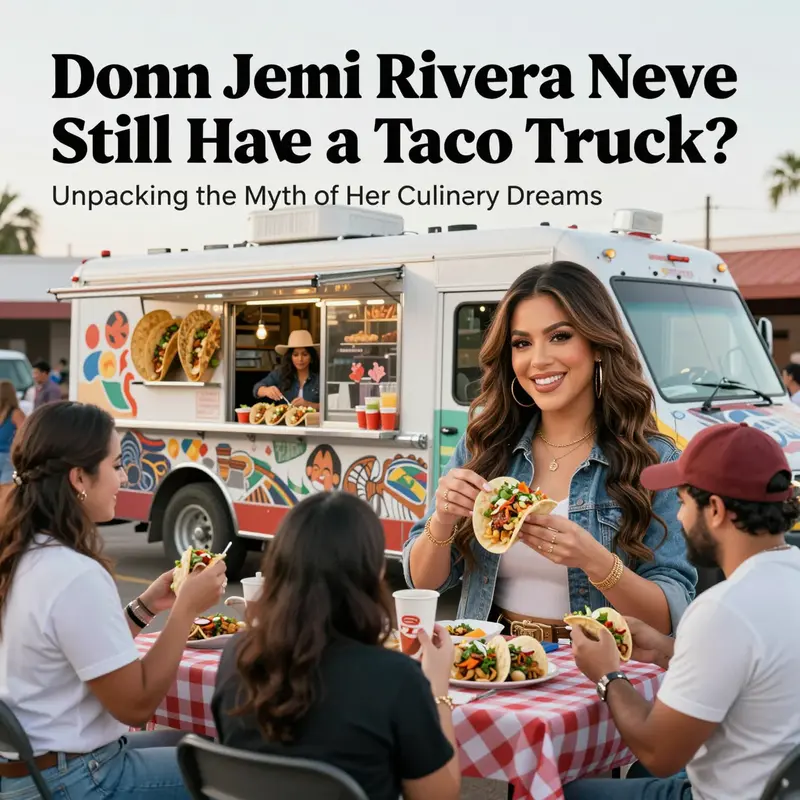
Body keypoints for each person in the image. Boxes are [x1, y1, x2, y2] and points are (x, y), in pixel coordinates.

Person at [403, 262, 696, 640]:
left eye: (559, 336)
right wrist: (442, 519)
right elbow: (423, 583)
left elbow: (670, 616)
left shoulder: (654, 459)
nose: (538, 360)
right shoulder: (485, 445)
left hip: (598, 675)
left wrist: (595, 561)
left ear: (598, 346)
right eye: (522, 343)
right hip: (495, 666)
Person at [0, 401, 228, 799]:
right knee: (237, 775)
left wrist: (145, 607)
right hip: (75, 779)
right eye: (116, 465)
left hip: (29, 773)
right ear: (79, 478)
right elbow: (136, 705)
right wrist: (186, 609)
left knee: (194, 741)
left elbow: (80, 655)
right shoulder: (73, 574)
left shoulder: (22, 556)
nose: (124, 479)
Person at [565, 422, 800, 800]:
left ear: (717, 510)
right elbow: (753, 668)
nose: (678, 518)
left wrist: (606, 674)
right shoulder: (789, 574)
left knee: (561, 793)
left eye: (684, 502)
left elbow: (658, 752)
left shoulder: (724, 610)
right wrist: (663, 649)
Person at [212, 492, 460, 800]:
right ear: (375, 574)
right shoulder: (397, 679)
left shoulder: (237, 654)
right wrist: (438, 689)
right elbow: (440, 796)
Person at [252, 330, 320, 410]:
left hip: (313, 421)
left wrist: (309, 405)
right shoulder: (281, 373)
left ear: (311, 357)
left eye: (305, 354)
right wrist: (266, 390)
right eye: (295, 355)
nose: (300, 359)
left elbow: (331, 406)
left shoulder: (320, 377)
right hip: (284, 421)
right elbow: (256, 389)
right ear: (290, 357)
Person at [0, 381, 24, 484]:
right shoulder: (15, 413)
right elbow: (25, 434)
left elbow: (23, 435)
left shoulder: (13, 414)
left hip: (6, 456)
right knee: (6, 491)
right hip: (7, 456)